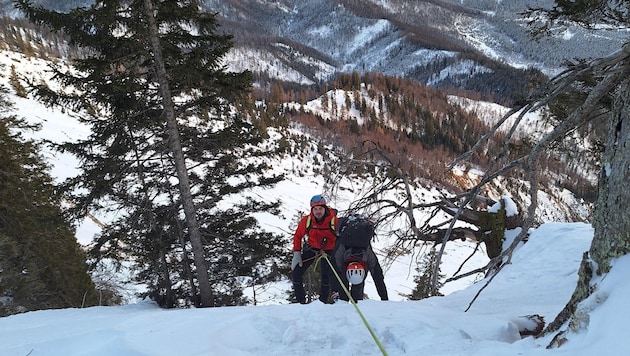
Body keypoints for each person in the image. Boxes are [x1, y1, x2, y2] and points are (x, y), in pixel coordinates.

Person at [291, 195, 339, 304]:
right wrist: (297, 253)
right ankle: (300, 303)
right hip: (312, 249)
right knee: (296, 273)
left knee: (326, 277)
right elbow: (298, 235)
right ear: (312, 210)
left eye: (320, 209)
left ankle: (322, 303)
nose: (318, 212)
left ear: (325, 208)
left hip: (329, 251)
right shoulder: (307, 221)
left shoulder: (334, 221)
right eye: (315, 209)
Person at [334, 216, 388, 302]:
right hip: (348, 259)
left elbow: (378, 275)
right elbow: (378, 277)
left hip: (354, 261)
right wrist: (384, 298)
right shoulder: (342, 250)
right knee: (346, 282)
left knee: (343, 283)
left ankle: (345, 302)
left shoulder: (368, 255)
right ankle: (355, 301)